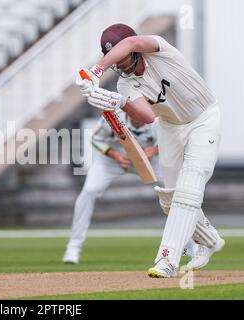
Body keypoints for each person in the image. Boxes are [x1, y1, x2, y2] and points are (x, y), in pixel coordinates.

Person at [75, 24, 225, 277]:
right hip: (171, 128)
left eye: (122, 57)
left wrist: (94, 71)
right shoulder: (125, 85)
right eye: (116, 61)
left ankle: (167, 260)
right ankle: (209, 240)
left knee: (189, 190)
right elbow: (146, 117)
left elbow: (131, 44)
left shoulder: (159, 48)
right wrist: (119, 102)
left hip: (204, 118)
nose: (121, 65)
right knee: (170, 198)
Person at [63, 115, 162, 264]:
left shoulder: (158, 120)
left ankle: (190, 245)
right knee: (89, 191)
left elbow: (175, 140)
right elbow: (95, 138)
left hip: (150, 162)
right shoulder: (114, 117)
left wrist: (154, 150)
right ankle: (73, 247)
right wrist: (115, 155)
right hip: (112, 161)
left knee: (175, 193)